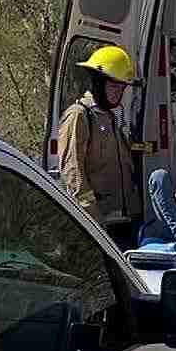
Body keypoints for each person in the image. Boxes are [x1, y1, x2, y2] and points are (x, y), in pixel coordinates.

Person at [56, 45, 144, 251]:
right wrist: (92, 218)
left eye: (122, 88)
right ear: (98, 82)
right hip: (100, 224)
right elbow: (72, 170)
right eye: (113, 86)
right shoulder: (79, 115)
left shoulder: (111, 116)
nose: (118, 93)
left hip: (124, 221)